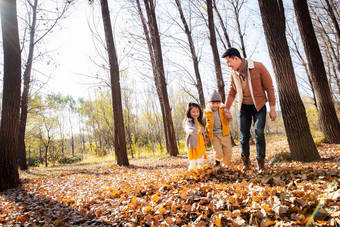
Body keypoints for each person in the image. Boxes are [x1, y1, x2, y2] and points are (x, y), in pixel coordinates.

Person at [221, 47, 277, 173]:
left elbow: (269, 87)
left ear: (236, 58)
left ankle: (261, 162)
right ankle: (246, 162)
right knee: (244, 136)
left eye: (229, 62)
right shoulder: (233, 74)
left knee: (259, 133)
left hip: (259, 106)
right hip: (244, 107)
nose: (228, 65)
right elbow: (231, 92)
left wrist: (272, 108)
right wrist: (226, 108)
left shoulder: (258, 66)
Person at [204, 90, 233, 168]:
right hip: (214, 136)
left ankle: (224, 168)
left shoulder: (223, 109)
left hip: (225, 134)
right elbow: (206, 125)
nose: (215, 105)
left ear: (220, 102)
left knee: (228, 156)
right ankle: (217, 162)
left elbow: (230, 120)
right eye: (213, 103)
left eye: (217, 103)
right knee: (219, 154)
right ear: (210, 103)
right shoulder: (207, 112)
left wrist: (229, 117)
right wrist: (206, 135)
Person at [183, 102, 207, 171]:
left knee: (201, 162)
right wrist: (195, 131)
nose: (195, 114)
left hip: (201, 145)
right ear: (189, 112)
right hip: (193, 145)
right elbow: (188, 129)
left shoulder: (200, 122)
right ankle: (191, 174)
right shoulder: (189, 122)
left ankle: (201, 174)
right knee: (193, 163)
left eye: (197, 112)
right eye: (193, 112)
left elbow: (203, 133)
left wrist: (205, 139)